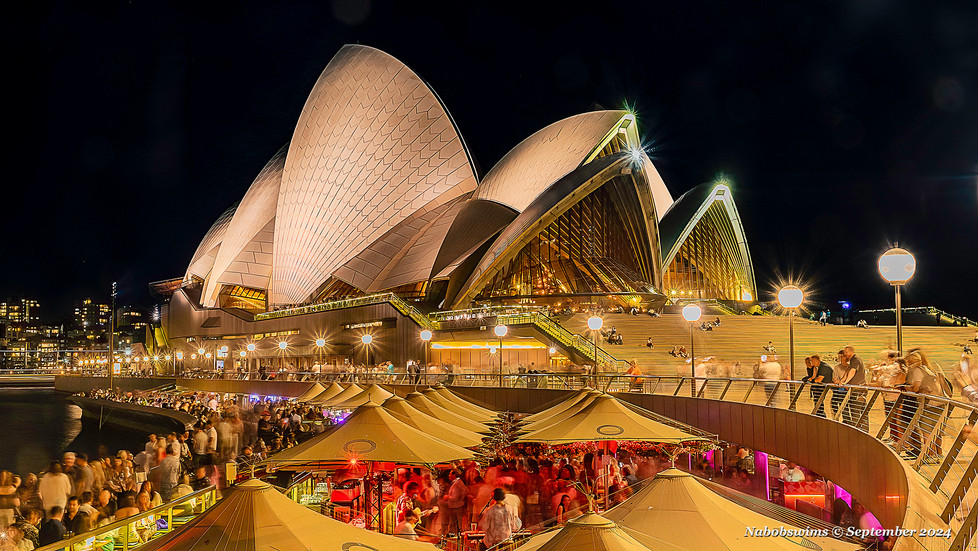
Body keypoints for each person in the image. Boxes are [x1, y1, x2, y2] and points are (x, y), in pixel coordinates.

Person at [840, 346, 868, 430]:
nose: (845, 354)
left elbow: (853, 371)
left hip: (857, 390)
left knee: (855, 411)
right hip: (861, 389)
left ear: (850, 352)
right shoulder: (857, 359)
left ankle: (858, 431)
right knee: (862, 411)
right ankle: (864, 430)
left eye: (846, 352)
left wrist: (845, 383)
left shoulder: (854, 360)